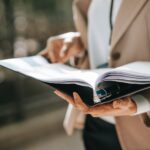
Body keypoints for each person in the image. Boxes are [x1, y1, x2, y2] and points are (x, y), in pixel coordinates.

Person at [40, 0, 150, 149]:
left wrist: (142, 102)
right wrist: (79, 43)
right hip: (96, 126)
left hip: (142, 130)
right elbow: (108, 39)